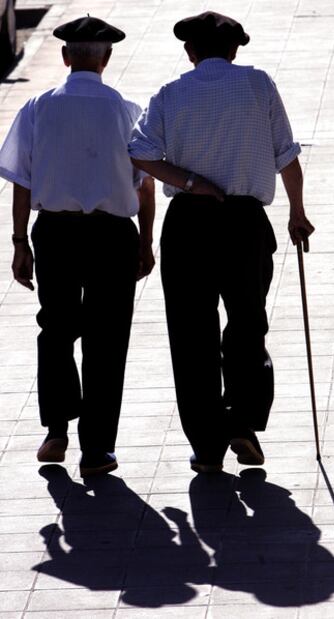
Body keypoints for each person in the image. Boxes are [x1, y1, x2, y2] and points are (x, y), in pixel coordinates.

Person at [128, 11, 314, 474]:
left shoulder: (170, 94)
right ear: (235, 50)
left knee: (192, 333)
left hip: (190, 223)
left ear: (189, 52)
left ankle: (206, 444)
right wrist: (297, 212)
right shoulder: (259, 85)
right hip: (245, 220)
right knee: (247, 324)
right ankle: (244, 424)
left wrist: (190, 182)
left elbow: (140, 151)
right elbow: (286, 155)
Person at [0, 16, 155, 477]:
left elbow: (21, 183)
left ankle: (56, 430)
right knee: (108, 341)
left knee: (56, 329)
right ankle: (97, 448)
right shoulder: (128, 111)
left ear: (66, 57)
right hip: (112, 237)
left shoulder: (37, 108)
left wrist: (19, 240)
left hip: (56, 232)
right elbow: (145, 187)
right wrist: (146, 242)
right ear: (106, 59)